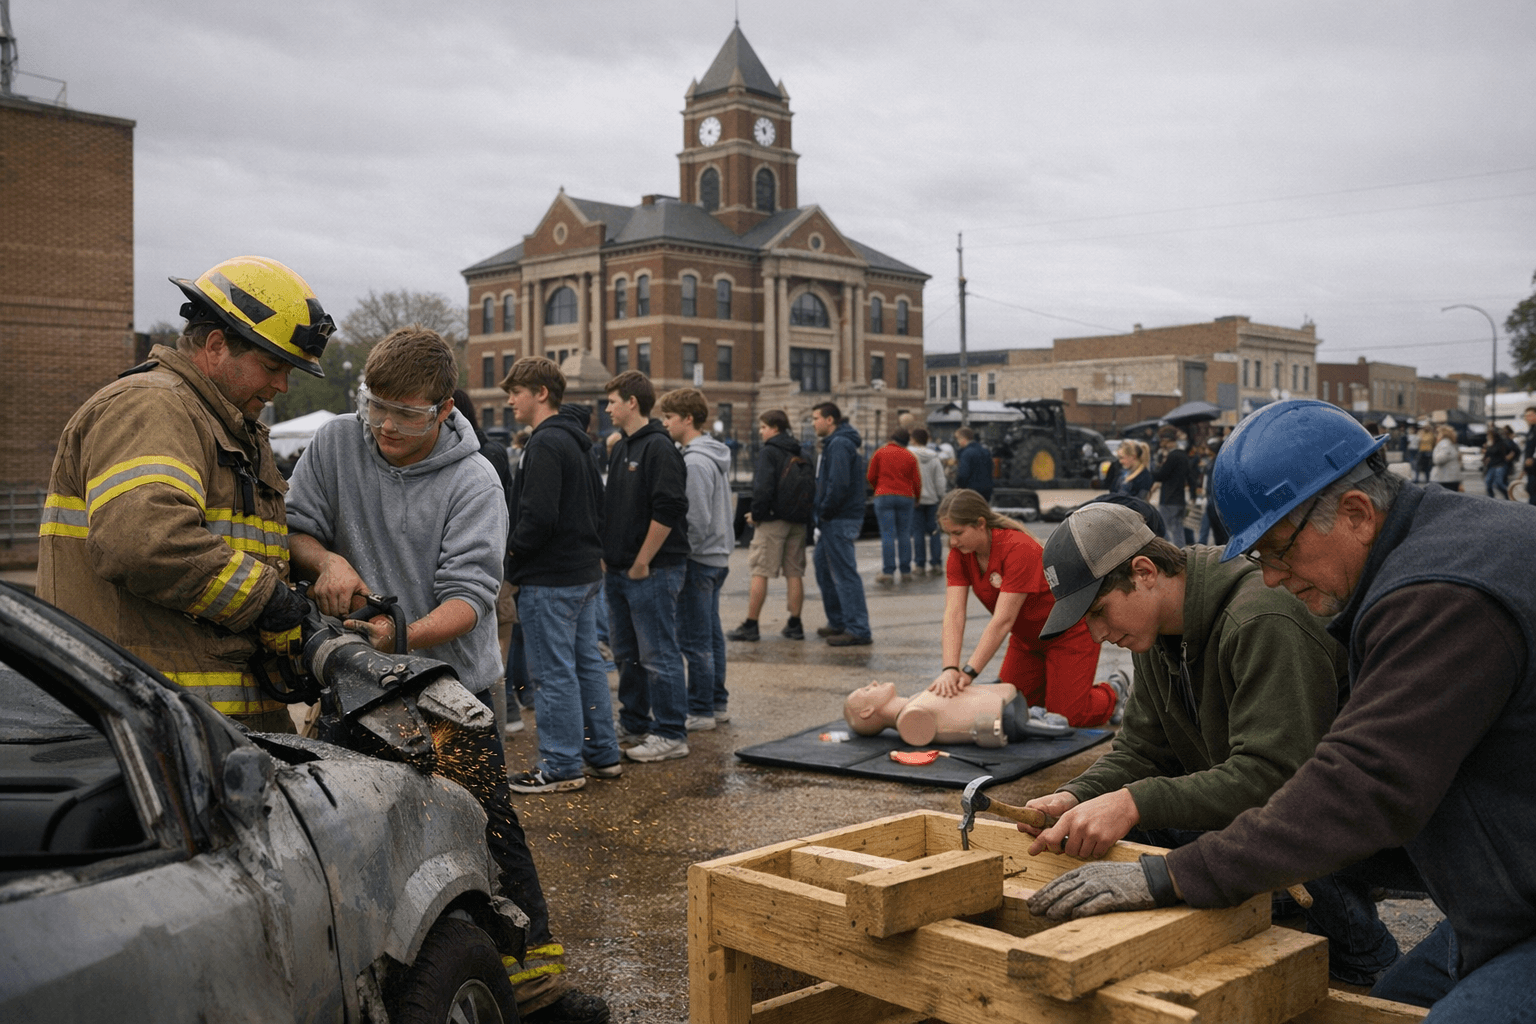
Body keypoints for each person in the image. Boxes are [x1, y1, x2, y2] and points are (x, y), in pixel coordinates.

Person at [1026, 399, 1536, 1019]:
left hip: (1506, 895)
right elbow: (1143, 748)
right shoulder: (1432, 548)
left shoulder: (1440, 594)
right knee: (1395, 1004)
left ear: (1355, 513)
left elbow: (1355, 788)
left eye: (1277, 551)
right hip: (1502, 893)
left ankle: (1354, 946)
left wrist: (1170, 876)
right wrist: (1083, 795)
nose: (1271, 577)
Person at [286, 329, 609, 1024]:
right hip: (352, 682)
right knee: (360, 830)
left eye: (404, 412)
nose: (385, 425)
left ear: (442, 409)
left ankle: (535, 971)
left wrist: (397, 636)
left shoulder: (473, 478)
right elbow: (296, 527)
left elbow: (468, 600)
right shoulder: (338, 442)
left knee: (484, 824)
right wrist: (327, 564)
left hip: (446, 686)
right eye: (376, 407)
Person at [1024, 503, 1396, 984]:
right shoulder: (1156, 629)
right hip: (1248, 820)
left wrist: (1132, 802)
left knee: (1366, 982)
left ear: (1144, 571)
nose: (1097, 634)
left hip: (1324, 827)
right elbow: (1142, 750)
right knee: (1109, 833)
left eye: (1099, 611)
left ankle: (1366, 957)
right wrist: (1077, 796)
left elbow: (1275, 778)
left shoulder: (1261, 617)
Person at [38, 255, 334, 732]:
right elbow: (144, 542)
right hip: (152, 734)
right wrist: (268, 602)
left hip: (208, 735)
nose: (281, 385)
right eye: (272, 365)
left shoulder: (230, 426)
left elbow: (239, 549)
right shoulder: (153, 406)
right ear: (216, 345)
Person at [499, 357, 621, 793]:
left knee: (553, 675)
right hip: (583, 574)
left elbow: (537, 518)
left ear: (541, 393)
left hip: (551, 579)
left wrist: (512, 559)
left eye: (516, 391)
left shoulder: (547, 443)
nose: (510, 399)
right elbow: (600, 504)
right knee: (586, 665)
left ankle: (561, 765)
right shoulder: (578, 441)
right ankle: (602, 755)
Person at [929, 488, 1118, 727]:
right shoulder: (960, 554)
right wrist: (949, 668)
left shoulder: (1018, 548)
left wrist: (968, 672)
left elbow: (1002, 621)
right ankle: (1058, 688)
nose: (953, 542)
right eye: (948, 534)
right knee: (1011, 710)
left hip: (1068, 635)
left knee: (1067, 717)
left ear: (980, 524)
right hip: (1027, 642)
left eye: (958, 533)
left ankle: (1115, 693)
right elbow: (954, 614)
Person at [602, 370, 692, 762]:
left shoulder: (658, 447)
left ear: (632, 403)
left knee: (658, 654)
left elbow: (670, 508)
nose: (607, 408)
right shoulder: (622, 447)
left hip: (653, 570)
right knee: (627, 653)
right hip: (621, 570)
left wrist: (642, 561)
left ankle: (671, 732)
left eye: (612, 401)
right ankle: (635, 722)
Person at [656, 387, 733, 733]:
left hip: (700, 557)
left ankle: (701, 708)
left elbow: (696, 519)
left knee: (695, 637)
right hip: (717, 556)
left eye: (669, 417)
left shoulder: (695, 461)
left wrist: (683, 552)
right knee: (710, 634)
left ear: (688, 419)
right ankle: (716, 701)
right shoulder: (712, 455)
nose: (665, 423)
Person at [727, 409, 809, 642]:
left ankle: (751, 624)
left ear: (774, 428)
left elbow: (763, 488)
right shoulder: (801, 450)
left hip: (772, 521)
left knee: (760, 571)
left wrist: (757, 514)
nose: (761, 432)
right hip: (797, 520)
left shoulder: (769, 452)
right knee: (794, 573)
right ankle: (795, 624)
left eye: (763, 427)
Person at [842, 679, 1070, 746]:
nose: (872, 682)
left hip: (1007, 704)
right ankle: (1037, 720)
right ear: (867, 712)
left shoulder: (912, 705)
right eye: (866, 690)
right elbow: (959, 729)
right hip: (1005, 715)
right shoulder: (911, 720)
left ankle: (1035, 717)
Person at [811, 402, 872, 647]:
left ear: (829, 420)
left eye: (816, 418)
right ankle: (839, 621)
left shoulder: (839, 444)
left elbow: (838, 484)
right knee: (824, 568)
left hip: (839, 517)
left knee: (843, 573)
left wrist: (824, 510)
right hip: (835, 517)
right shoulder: (837, 443)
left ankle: (857, 628)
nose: (813, 423)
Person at [866, 427, 922, 584]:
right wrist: (917, 497)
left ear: (892, 438)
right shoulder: (910, 456)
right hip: (906, 496)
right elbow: (916, 481)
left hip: (884, 495)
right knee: (904, 534)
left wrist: (878, 488)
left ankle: (888, 572)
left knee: (887, 534)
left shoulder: (880, 452)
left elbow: (870, 475)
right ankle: (906, 571)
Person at [909, 427, 948, 577]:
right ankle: (936, 563)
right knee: (934, 532)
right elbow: (940, 480)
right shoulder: (934, 457)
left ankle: (919, 565)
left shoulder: (910, 455)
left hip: (915, 500)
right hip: (932, 500)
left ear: (913, 439)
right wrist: (940, 495)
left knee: (917, 533)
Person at [1150, 426, 1189, 545]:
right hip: (1179, 497)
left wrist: (1154, 467)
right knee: (1177, 529)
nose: (1161, 444)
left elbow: (1161, 475)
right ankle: (1181, 554)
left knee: (1162, 528)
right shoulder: (1183, 455)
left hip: (1169, 498)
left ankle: (1169, 552)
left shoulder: (1173, 456)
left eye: (1162, 441)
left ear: (1167, 440)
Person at [953, 426, 994, 500]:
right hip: (987, 490)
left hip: (971, 491)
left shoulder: (966, 453)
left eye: (958, 439)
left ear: (963, 438)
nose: (958, 442)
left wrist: (959, 487)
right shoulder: (985, 451)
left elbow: (963, 474)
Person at [1482, 426, 1518, 499]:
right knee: (1488, 482)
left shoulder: (1501, 443)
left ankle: (1509, 494)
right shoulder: (1490, 444)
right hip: (1492, 465)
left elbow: (1514, 450)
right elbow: (1488, 455)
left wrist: (1508, 457)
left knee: (1499, 483)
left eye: (1489, 435)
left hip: (1500, 465)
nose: (1488, 437)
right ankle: (1490, 498)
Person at [1429, 424, 1461, 490]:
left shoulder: (1444, 443)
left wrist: (1435, 459)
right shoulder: (1450, 443)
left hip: (1444, 479)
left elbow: (1439, 459)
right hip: (1450, 478)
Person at [1523, 407, 1536, 505]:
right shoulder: (1531, 429)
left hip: (1534, 466)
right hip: (1531, 468)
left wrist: (1532, 458)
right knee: (1530, 490)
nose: (1527, 417)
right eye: (1526, 416)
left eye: (1530, 415)